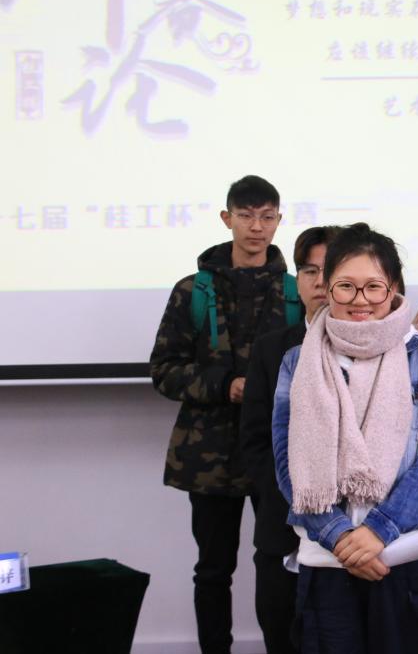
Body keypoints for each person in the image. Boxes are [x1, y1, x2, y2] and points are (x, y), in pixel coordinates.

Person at [271, 223, 418, 653]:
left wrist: (379, 529)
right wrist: (340, 537)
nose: (361, 300)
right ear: (327, 287)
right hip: (328, 561)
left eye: (374, 286)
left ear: (393, 289)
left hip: (408, 555)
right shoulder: (297, 362)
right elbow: (287, 461)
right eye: (346, 286)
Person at [150, 174, 291, 654]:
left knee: (280, 563)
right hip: (208, 456)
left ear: (278, 221)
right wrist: (224, 386)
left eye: (267, 217)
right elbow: (164, 370)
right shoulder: (192, 291)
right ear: (227, 219)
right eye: (246, 216)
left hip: (277, 454)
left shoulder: (295, 292)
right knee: (213, 570)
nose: (257, 227)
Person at [240, 225, 340, 654]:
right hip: (283, 530)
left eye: (329, 271)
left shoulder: (381, 349)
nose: (319, 282)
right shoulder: (272, 349)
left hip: (354, 538)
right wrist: (295, 500)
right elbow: (255, 442)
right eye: (308, 271)